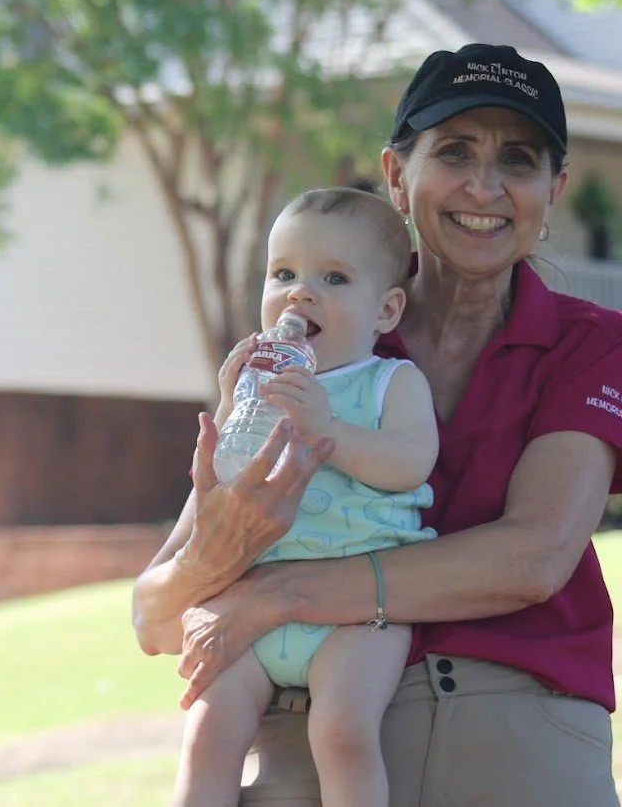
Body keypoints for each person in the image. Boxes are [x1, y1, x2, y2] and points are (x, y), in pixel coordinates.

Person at [134, 43, 622, 806]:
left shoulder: (593, 344)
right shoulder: (312, 349)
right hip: (309, 735)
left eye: (518, 159)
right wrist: (219, 550)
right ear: (396, 175)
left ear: (554, 190)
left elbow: (531, 560)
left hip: (520, 738)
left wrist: (282, 595)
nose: (485, 185)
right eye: (453, 151)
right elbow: (155, 615)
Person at [173, 187, 439, 807]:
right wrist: (231, 405)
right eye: (284, 274)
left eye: (335, 278)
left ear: (386, 311)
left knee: (343, 732)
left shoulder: (390, 382)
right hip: (254, 609)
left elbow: (410, 464)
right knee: (206, 731)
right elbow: (225, 485)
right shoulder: (260, 383)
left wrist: (332, 431)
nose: (300, 293)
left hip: (356, 613)